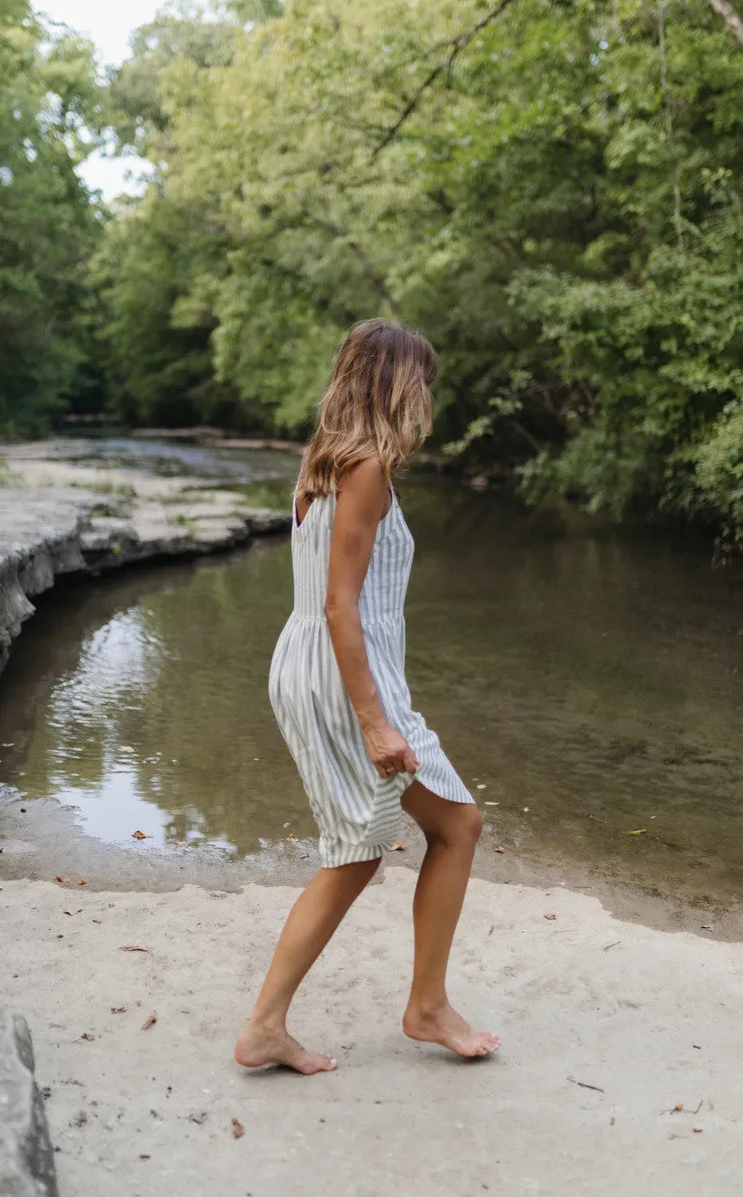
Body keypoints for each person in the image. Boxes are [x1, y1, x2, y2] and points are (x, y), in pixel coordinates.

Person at [235, 319, 500, 1074]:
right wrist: (375, 721)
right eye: (424, 385)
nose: (428, 401)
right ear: (396, 383)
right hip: (347, 675)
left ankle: (418, 1005)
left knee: (448, 826)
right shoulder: (367, 469)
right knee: (369, 848)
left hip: (316, 666)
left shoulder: (322, 464)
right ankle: (278, 1024)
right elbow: (339, 606)